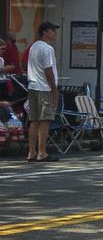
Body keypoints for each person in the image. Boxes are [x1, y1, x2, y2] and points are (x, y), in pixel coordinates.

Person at [26, 22, 60, 162]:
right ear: (45, 32)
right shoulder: (47, 49)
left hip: (33, 86)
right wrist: (54, 89)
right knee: (45, 120)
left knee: (34, 121)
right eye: (52, 30)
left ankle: (31, 152)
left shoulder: (33, 46)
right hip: (44, 87)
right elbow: (48, 70)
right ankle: (42, 152)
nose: (55, 33)